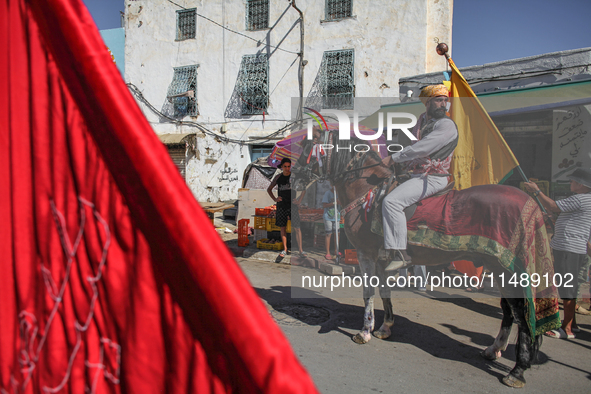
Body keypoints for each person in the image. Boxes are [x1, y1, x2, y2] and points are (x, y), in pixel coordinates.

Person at [382, 85, 458, 271]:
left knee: (391, 202)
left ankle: (400, 252)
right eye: (439, 100)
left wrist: (393, 158)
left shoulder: (446, 124)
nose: (443, 104)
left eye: (445, 100)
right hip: (416, 174)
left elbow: (422, 148)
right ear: (428, 103)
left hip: (433, 178)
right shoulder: (422, 122)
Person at [524, 167, 591, 339]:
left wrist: (537, 191)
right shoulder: (584, 200)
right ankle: (572, 324)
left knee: (567, 288)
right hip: (573, 247)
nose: (570, 182)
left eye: (573, 180)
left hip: (568, 248)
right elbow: (563, 215)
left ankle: (566, 329)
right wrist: (553, 219)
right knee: (570, 286)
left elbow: (553, 206)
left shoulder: (581, 199)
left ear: (582, 185)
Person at [267, 158, 305, 258]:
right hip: (282, 206)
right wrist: (275, 198)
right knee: (282, 227)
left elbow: (304, 188)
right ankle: (285, 249)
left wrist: (299, 200)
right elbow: (269, 189)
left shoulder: (294, 177)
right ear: (282, 167)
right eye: (285, 166)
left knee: (297, 228)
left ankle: (301, 251)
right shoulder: (278, 177)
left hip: (293, 206)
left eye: (289, 166)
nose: (287, 168)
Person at [322, 188, 341, 260]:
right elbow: (324, 205)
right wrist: (334, 203)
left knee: (337, 233)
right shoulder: (328, 193)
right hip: (328, 216)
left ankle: (336, 250)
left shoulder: (339, 193)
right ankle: (327, 252)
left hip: (337, 216)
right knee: (328, 234)